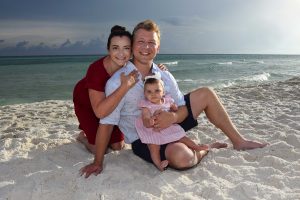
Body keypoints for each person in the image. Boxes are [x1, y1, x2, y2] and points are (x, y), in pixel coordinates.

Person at [80, 19, 268, 178]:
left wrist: (174, 117)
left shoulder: (164, 75)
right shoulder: (118, 81)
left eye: (151, 42)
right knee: (183, 159)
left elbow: (181, 106)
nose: (146, 47)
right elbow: (107, 121)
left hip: (171, 123)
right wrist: (98, 162)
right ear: (132, 46)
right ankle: (205, 148)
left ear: (158, 47)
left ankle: (238, 141)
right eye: (141, 42)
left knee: (206, 93)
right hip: (144, 138)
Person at [135, 74, 227, 171]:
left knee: (182, 137)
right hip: (153, 130)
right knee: (153, 147)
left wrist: (174, 108)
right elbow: (145, 119)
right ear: (144, 94)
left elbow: (175, 109)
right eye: (149, 91)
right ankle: (159, 165)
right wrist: (149, 121)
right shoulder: (146, 106)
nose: (153, 94)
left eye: (157, 90)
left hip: (168, 127)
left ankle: (196, 147)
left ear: (163, 92)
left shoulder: (167, 101)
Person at [73, 25, 138, 154]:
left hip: (109, 104)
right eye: (115, 48)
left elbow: (147, 66)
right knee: (98, 149)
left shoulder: (130, 65)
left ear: (131, 51)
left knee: (118, 146)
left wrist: (160, 68)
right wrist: (124, 87)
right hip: (87, 103)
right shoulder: (96, 69)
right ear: (108, 49)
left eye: (126, 48)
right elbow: (100, 112)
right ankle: (83, 137)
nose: (121, 53)